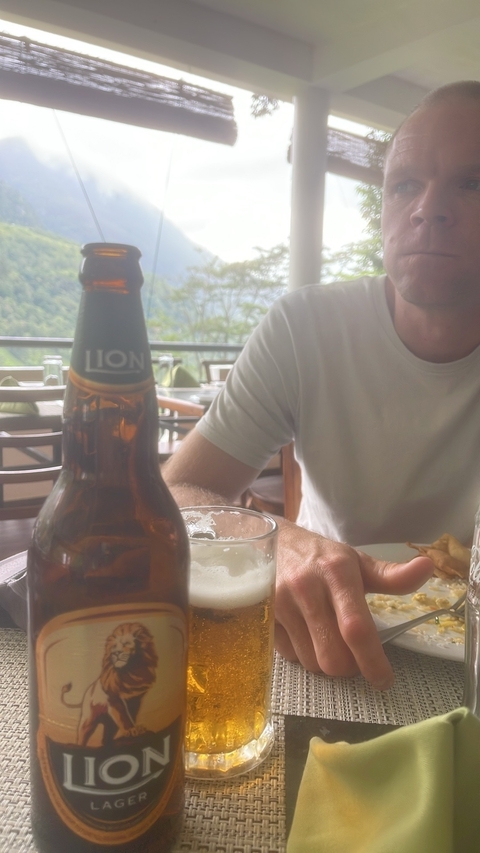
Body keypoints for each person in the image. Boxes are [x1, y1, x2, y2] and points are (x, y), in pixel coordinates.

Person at [164, 80, 480, 691]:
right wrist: (273, 542)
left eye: (473, 184)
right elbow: (178, 487)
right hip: (318, 637)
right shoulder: (305, 329)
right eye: (406, 184)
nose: (429, 209)